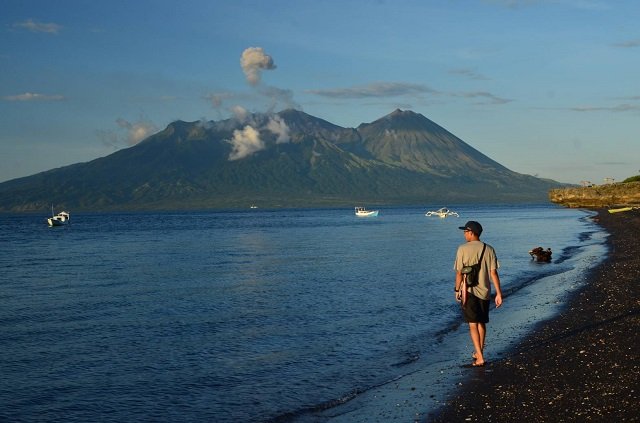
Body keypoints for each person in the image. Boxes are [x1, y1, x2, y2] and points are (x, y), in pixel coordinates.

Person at [453, 221, 503, 367]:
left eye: (465, 231)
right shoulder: (489, 249)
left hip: (468, 291)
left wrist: (457, 290)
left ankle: (480, 357)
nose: (464, 234)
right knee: (481, 322)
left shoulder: (462, 249)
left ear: (471, 232)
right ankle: (479, 352)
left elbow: (459, 273)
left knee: (472, 324)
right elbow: (493, 273)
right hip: (485, 292)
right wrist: (499, 293)